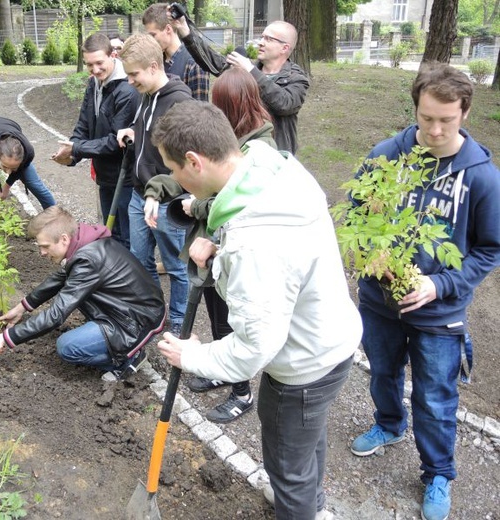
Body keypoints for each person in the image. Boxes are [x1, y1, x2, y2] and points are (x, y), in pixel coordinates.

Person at [152, 100, 362, 519]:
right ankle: (312, 503)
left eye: (174, 170)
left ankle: (300, 505)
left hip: (303, 365)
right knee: (306, 441)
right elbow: (248, 231)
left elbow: (254, 348)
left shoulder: (256, 245)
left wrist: (191, 356)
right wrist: (220, 243)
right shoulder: (267, 165)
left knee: (288, 466)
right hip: (332, 338)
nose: (174, 179)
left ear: (194, 161)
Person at [348, 63, 500, 520]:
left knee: (435, 395)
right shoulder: (384, 157)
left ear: (464, 114)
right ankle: (389, 425)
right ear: (415, 108)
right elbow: (355, 216)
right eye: (426, 117)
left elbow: (490, 249)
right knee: (382, 371)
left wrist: (439, 283)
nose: (434, 129)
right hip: (379, 301)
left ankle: (438, 472)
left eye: (446, 120)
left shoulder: (482, 178)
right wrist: (369, 246)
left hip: (439, 312)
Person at [180, 68, 276, 423]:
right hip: (213, 243)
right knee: (218, 317)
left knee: (233, 323)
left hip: (229, 247)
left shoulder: (258, 146)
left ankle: (242, 392)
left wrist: (196, 206)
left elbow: (236, 201)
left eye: (217, 103)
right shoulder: (236, 138)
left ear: (232, 105)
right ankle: (224, 372)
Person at [0, 206, 166, 381]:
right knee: (74, 299)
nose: (41, 252)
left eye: (45, 246)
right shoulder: (84, 242)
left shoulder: (88, 260)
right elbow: (59, 278)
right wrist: (22, 307)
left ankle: (127, 361)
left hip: (137, 321)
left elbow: (55, 316)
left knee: (67, 347)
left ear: (64, 238)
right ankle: (118, 347)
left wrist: (4, 338)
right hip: (132, 309)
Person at [116, 33, 193, 336]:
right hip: (139, 195)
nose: (130, 81)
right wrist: (134, 132)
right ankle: (154, 313)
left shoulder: (180, 103)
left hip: (168, 201)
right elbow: (151, 135)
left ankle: (178, 321)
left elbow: (187, 164)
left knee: (176, 266)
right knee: (140, 261)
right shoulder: (144, 96)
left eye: (134, 74)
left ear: (152, 66)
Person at [169, 14, 308, 154]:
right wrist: (186, 31)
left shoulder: (296, 78)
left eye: (268, 39)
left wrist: (250, 70)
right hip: (241, 149)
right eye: (262, 37)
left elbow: (284, 104)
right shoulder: (250, 68)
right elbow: (214, 63)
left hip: (276, 155)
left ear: (284, 48)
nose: (261, 42)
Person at [51, 33, 139, 248]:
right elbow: (84, 124)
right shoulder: (94, 84)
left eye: (99, 63)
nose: (95, 69)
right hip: (105, 175)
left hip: (125, 177)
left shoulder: (126, 89)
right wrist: (70, 152)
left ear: (113, 55)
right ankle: (115, 275)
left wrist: (78, 148)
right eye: (89, 65)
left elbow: (114, 142)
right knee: (110, 232)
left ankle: (129, 278)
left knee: (125, 236)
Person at [142, 3, 209, 102]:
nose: (150, 41)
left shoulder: (194, 63)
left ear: (168, 29)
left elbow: (200, 111)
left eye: (153, 35)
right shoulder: (156, 62)